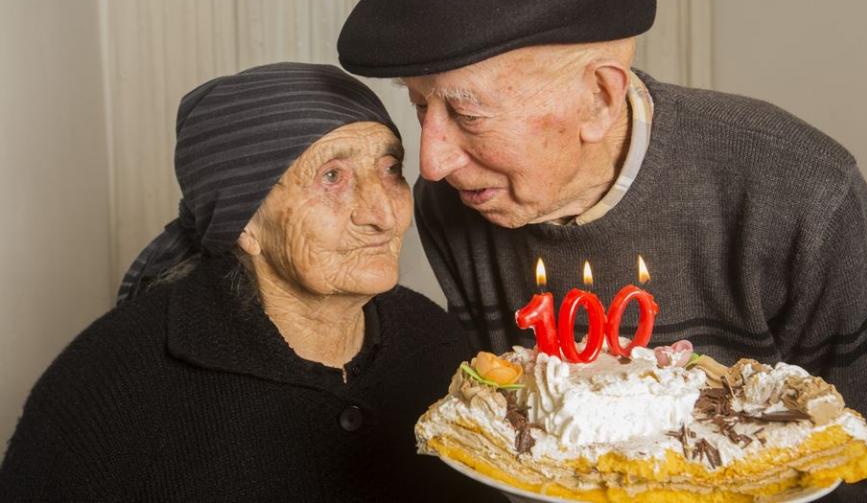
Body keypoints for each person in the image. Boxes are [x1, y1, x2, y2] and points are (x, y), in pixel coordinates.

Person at [337, 0, 867, 500]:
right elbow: (505, 432)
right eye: (420, 107)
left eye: (468, 116)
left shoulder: (800, 189)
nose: (433, 160)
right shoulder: (454, 201)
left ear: (600, 97)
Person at [0, 63, 497, 502]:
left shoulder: (435, 342)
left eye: (390, 169)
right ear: (244, 222)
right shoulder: (108, 381)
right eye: (332, 177)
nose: (384, 213)